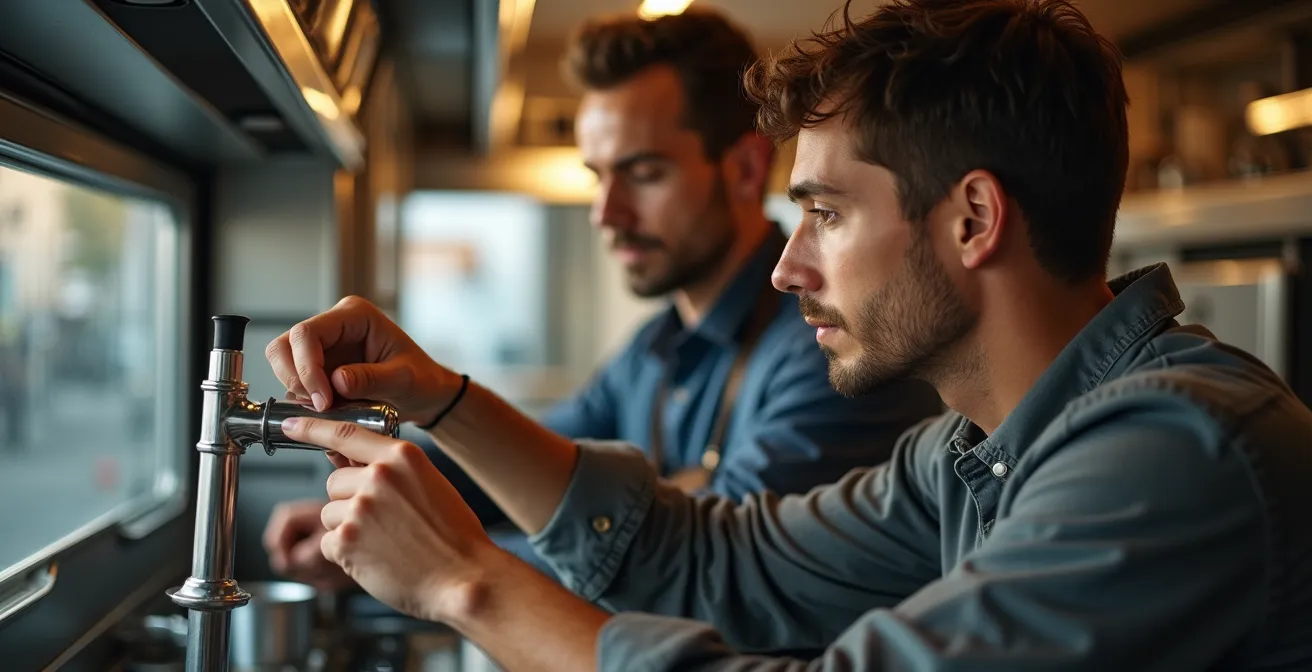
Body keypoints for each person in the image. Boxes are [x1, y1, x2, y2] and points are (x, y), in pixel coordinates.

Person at [264, 0, 1312, 669]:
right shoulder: (962, 457)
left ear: (973, 220)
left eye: (825, 214)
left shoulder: (1174, 452)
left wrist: (463, 582)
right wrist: (435, 399)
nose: (784, 265)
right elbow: (706, 558)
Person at [261, 7, 943, 591]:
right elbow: (524, 461)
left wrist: (411, 559)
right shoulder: (654, 349)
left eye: (642, 173)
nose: (606, 213)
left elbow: (699, 571)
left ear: (742, 168)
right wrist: (369, 496)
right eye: (597, 176)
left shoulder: (831, 346)